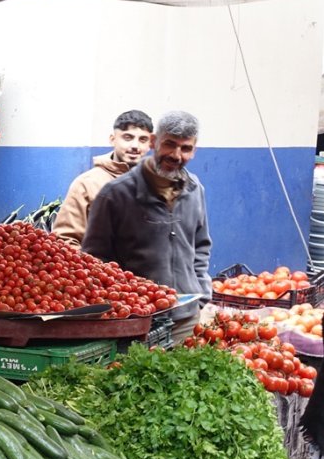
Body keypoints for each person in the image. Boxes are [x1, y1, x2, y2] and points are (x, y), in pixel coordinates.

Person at [82, 110, 210, 343]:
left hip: (186, 319)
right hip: (136, 322)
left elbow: (201, 246)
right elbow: (93, 261)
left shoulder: (195, 190)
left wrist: (201, 292)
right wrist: (122, 307)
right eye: (169, 144)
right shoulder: (116, 195)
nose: (176, 155)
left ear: (194, 150)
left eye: (186, 148)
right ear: (154, 142)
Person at [53, 110, 153, 246]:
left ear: (150, 144)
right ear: (113, 139)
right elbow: (65, 240)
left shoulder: (158, 185)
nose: (135, 146)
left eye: (142, 139)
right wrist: (98, 267)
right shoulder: (86, 184)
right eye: (128, 137)